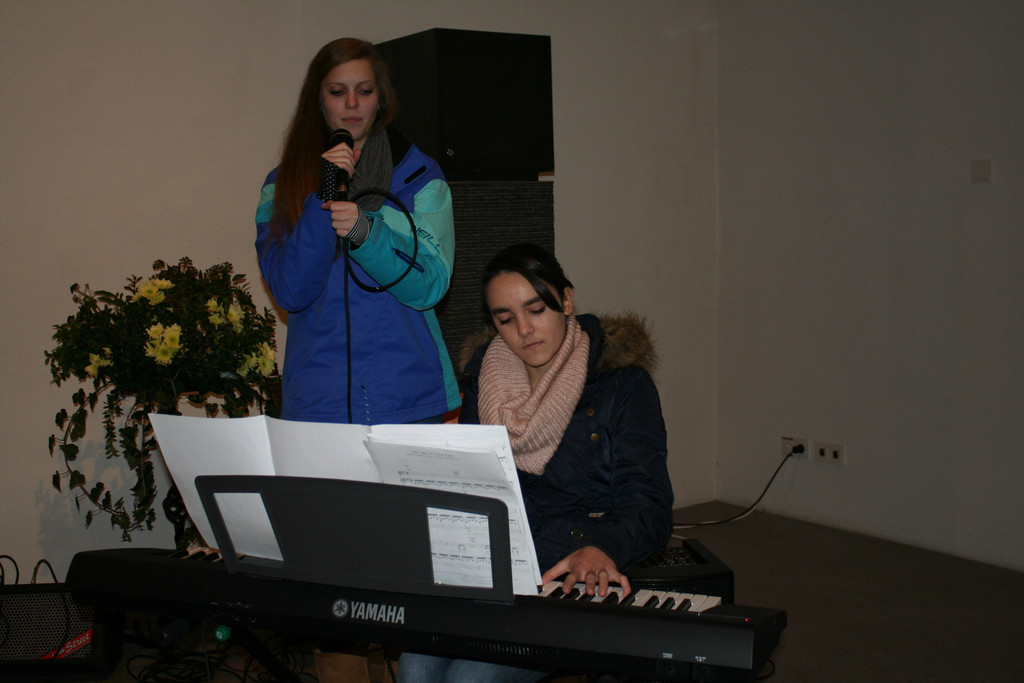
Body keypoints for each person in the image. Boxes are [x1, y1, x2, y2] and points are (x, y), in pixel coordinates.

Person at [396, 243, 674, 682]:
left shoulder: (622, 385)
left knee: (470, 678)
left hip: (576, 570)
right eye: (506, 319)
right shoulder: (486, 385)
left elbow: (649, 502)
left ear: (566, 301)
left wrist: (603, 546)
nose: (524, 330)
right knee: (414, 667)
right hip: (501, 571)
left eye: (536, 309)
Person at [255, 38, 460, 425]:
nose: (352, 104)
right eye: (337, 92)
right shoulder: (280, 186)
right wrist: (323, 197)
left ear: (380, 99)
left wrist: (367, 234)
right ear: (318, 100)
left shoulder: (420, 177)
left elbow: (431, 285)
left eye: (364, 91)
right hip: (320, 404)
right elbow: (290, 290)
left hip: (406, 399)